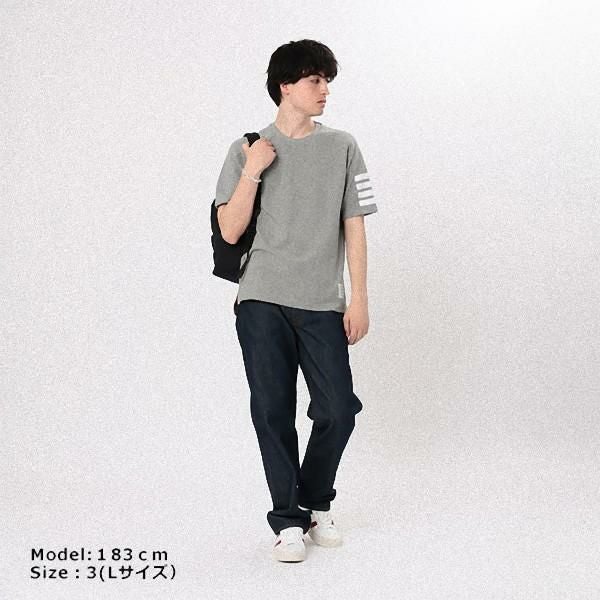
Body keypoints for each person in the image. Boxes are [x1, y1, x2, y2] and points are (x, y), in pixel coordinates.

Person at [214, 39, 378, 562]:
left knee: (338, 410)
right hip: (261, 297)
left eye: (327, 80)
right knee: (272, 410)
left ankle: (314, 500)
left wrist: (359, 298)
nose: (325, 89)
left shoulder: (344, 146)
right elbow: (230, 229)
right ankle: (287, 520)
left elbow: (356, 225)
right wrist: (253, 169)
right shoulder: (246, 148)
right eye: (315, 80)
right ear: (286, 86)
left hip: (322, 301)